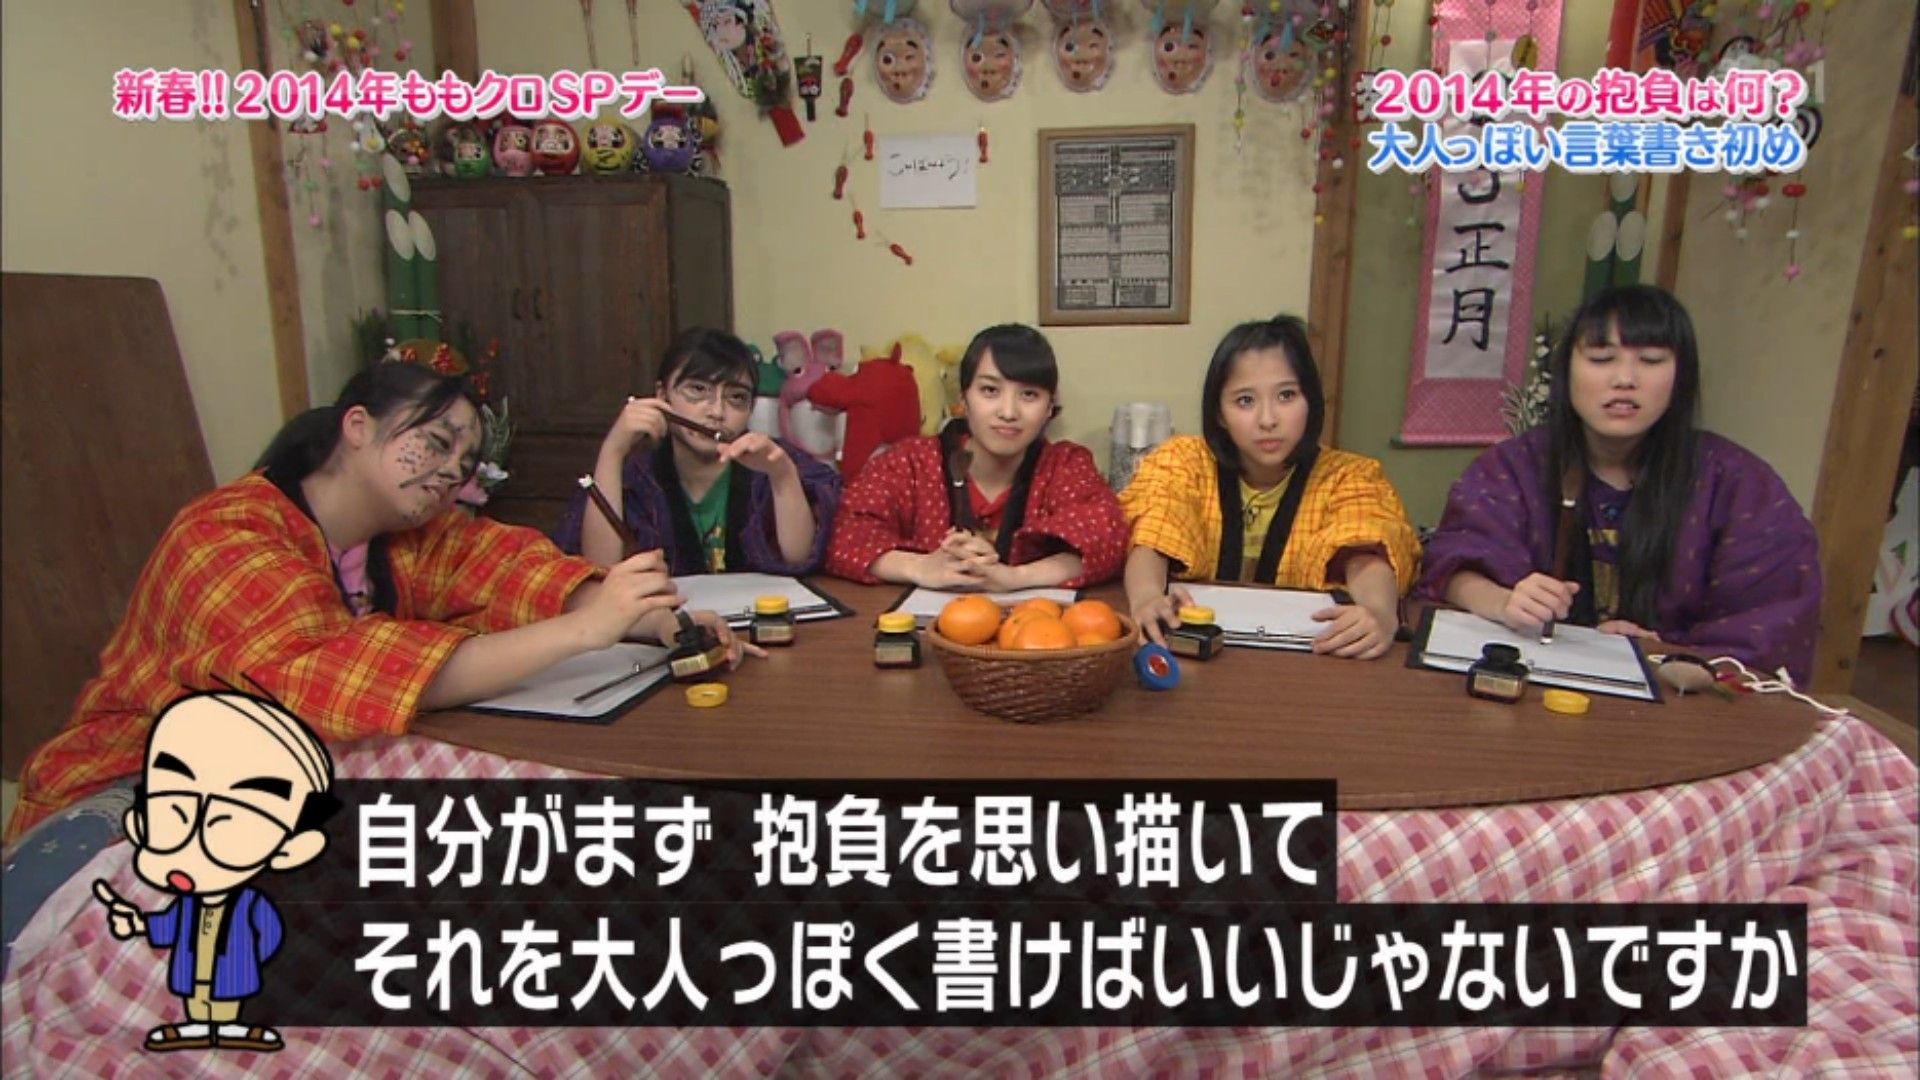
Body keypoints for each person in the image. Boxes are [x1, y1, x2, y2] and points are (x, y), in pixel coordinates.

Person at [7, 362, 746, 843]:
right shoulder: (226, 534)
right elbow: (333, 674)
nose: (450, 473)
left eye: (465, 462)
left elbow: (509, 569)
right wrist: (587, 630)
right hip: (130, 796)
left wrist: (652, 620)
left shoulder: (408, 537)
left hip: (275, 787)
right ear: (357, 427)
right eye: (436, 444)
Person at [1418, 284, 1821, 681]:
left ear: (1681, 376)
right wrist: (1505, 602)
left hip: (1676, 699)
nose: (1625, 379)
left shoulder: (1740, 485)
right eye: (1601, 358)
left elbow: (1769, 626)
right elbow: (1453, 568)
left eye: (1651, 359)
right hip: (1529, 682)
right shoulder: (1511, 467)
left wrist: (1664, 654)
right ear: (1566, 371)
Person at [1120, 316, 1419, 659]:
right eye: (1245, 401)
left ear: (1311, 399)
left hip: (1309, 659)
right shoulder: (1182, 462)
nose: (1267, 420)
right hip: (1192, 654)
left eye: (1286, 395)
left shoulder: (1350, 476)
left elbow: (1366, 551)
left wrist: (1379, 612)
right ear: (1219, 413)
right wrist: (1146, 598)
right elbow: (1154, 535)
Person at [91, 692, 341, 1054]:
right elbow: (169, 924)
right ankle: (196, 1025)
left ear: (290, 849)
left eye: (228, 826)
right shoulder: (183, 897)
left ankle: (228, 1025)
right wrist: (139, 924)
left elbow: (270, 934)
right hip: (191, 969)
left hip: (235, 969)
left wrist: (249, 956)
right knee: (196, 996)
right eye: (175, 811)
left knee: (226, 998)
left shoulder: (253, 901)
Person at [826, 323, 1127, 590]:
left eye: (1029, 395)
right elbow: (846, 534)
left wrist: (1015, 577)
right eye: (990, 390)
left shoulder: (1065, 466)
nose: (1008, 412)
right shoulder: (910, 461)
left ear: (1049, 407)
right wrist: (920, 567)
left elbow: (1108, 539)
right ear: (963, 399)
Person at [554, 327, 840, 574]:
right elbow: (601, 565)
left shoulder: (775, 460)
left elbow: (798, 557)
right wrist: (613, 450)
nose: (716, 412)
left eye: (736, 397)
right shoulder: (636, 478)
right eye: (698, 390)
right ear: (663, 395)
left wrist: (783, 476)